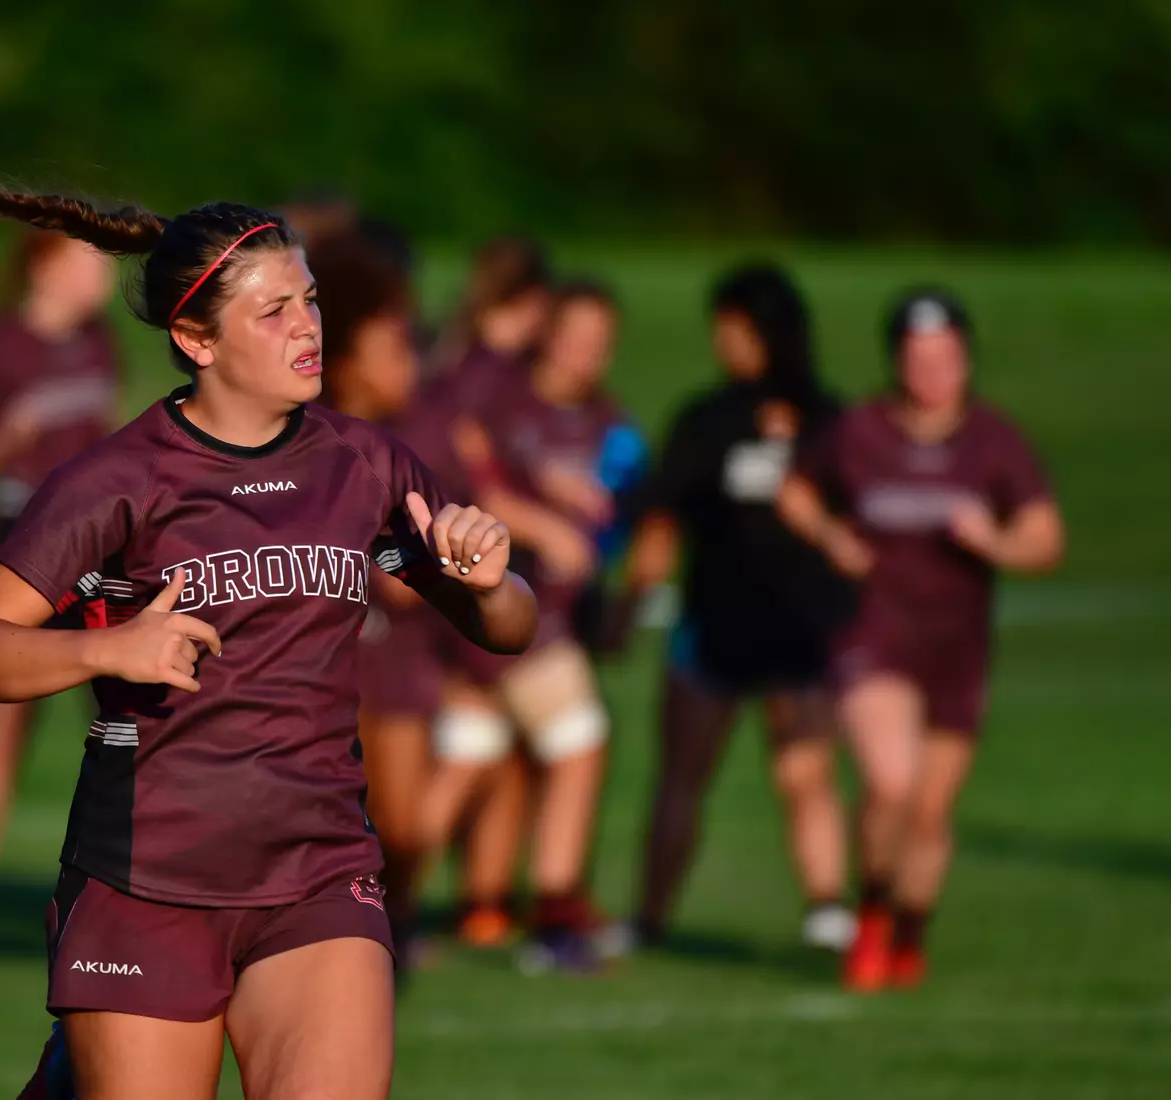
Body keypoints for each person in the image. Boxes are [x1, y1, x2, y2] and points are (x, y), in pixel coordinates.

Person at [0, 152, 536, 1100]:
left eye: (308, 300)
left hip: (319, 877)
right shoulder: (115, 482)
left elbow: (507, 628)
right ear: (197, 337)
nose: (308, 327)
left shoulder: (368, 465)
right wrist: (107, 645)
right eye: (275, 313)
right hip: (146, 887)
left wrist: (496, 581)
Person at [779, 287, 1065, 992]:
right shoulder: (860, 431)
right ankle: (871, 909)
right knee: (890, 781)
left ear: (966, 360)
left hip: (957, 646)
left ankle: (909, 924)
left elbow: (1045, 538)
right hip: (875, 630)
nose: (933, 372)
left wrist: (994, 541)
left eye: (946, 358)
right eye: (917, 358)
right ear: (897, 360)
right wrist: (830, 535)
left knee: (931, 811)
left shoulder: (994, 441)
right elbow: (797, 492)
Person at [623, 263, 858, 953]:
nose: (721, 340)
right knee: (683, 775)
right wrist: (633, 601)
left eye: (731, 326)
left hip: (801, 627)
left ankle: (825, 907)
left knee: (805, 771)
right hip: (714, 624)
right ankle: (651, 917)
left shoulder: (830, 420)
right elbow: (662, 516)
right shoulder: (707, 418)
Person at [421, 281, 640, 972]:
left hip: (545, 619)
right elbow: (466, 492)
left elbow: (628, 511)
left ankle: (367, 905)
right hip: (503, 615)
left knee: (466, 756)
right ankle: (556, 914)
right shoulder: (498, 402)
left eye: (600, 344)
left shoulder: (611, 422)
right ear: (547, 334)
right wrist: (543, 517)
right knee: (579, 741)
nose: (585, 355)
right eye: (574, 338)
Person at [0, 228, 121, 920]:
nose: (102, 279)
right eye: (87, 262)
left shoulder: (98, 337)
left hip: (100, 546)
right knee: (7, 723)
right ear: (45, 267)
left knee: (118, 718)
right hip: (26, 540)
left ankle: (118, 881)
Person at [308, 229, 432, 961]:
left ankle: (396, 933)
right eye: (394, 348)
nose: (409, 364)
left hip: (401, 660)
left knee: (408, 828)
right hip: (338, 661)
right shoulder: (313, 441)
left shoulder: (409, 442)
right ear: (348, 360)